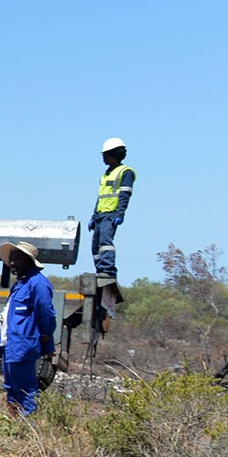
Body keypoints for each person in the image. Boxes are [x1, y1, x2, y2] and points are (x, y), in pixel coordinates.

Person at [0, 240, 56, 416]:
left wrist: (45, 335)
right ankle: (15, 424)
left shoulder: (38, 283)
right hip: (10, 344)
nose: (12, 263)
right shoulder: (20, 284)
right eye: (11, 259)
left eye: (17, 259)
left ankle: (28, 427)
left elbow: (46, 312)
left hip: (22, 344)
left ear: (29, 260)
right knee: (10, 386)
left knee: (24, 388)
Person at [90, 136, 135, 322]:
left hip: (110, 215)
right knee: (96, 247)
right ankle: (100, 269)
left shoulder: (125, 172)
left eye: (105, 155)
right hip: (101, 214)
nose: (103, 158)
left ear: (114, 154)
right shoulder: (106, 174)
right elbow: (101, 197)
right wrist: (94, 215)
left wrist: (120, 213)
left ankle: (108, 271)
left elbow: (125, 195)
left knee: (105, 244)